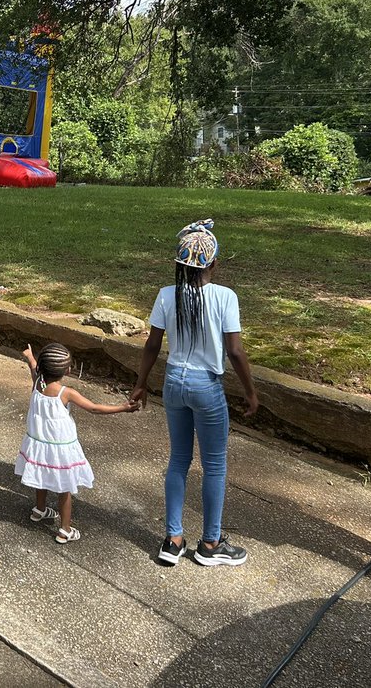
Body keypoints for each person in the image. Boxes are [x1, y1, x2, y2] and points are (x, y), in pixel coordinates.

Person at [130, 219, 259, 567]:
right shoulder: (225, 297)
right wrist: (250, 392)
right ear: (214, 264)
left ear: (178, 264)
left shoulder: (166, 294)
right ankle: (210, 544)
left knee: (178, 460)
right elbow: (235, 351)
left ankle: (172, 540)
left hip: (174, 381)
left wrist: (141, 383)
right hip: (206, 385)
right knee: (214, 464)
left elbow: (153, 344)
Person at [14, 342, 136, 544]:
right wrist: (123, 407)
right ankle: (65, 530)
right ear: (68, 370)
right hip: (60, 449)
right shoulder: (65, 393)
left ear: (42, 367)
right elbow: (95, 408)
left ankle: (40, 510)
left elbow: (34, 368)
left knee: (41, 475)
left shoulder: (38, 384)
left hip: (39, 445)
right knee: (64, 488)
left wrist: (30, 357)